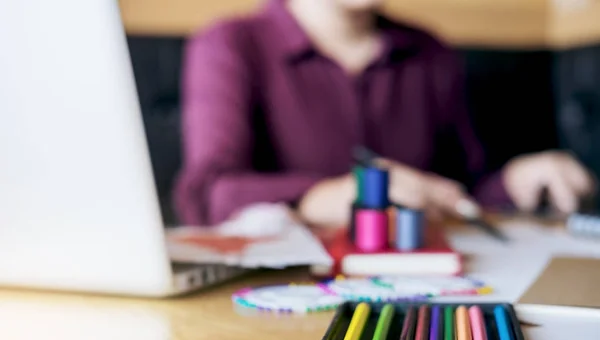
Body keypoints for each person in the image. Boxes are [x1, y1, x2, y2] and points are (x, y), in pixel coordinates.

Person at [174, 0, 594, 227]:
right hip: (285, 298)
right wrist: (335, 195)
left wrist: (514, 181)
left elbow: (460, 191)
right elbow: (207, 194)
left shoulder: (431, 54)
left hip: (421, 295)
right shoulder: (231, 44)